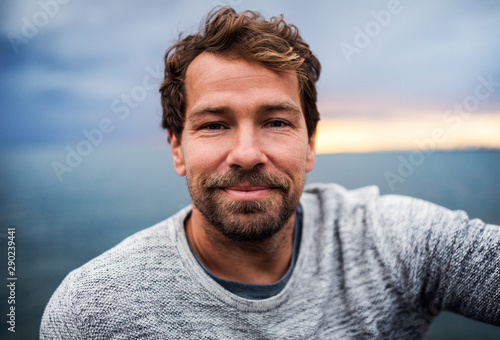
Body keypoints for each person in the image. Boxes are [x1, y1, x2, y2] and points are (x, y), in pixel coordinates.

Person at [40, 7, 500, 339]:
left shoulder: (396, 241)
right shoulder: (95, 310)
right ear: (177, 149)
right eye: (214, 124)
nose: (246, 153)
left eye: (276, 122)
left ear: (311, 145)